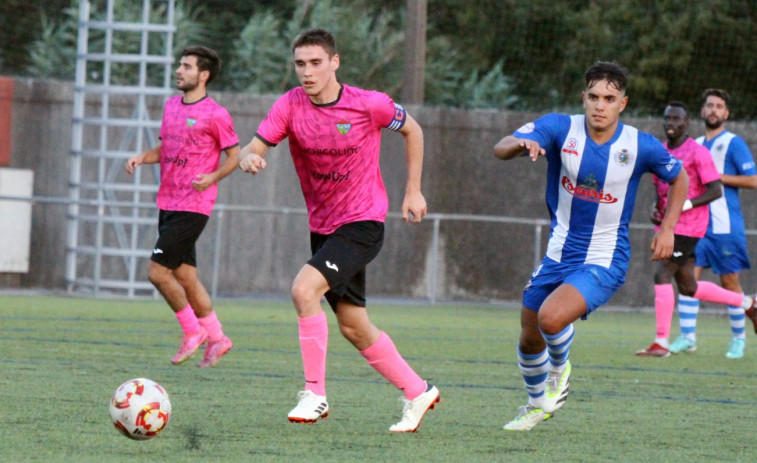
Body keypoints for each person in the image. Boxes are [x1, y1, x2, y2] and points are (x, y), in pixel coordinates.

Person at [237, 28, 439, 433]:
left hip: (363, 222)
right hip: (325, 227)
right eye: (300, 64)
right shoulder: (290, 106)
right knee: (352, 325)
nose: (307, 72)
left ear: (334, 62)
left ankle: (315, 394)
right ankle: (418, 391)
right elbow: (254, 146)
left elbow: (412, 129)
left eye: (315, 63)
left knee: (303, 289)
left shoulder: (369, 105)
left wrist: (413, 190)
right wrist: (249, 157)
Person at [493, 61, 689, 431]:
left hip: (605, 257)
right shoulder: (559, 127)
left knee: (550, 317)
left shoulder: (639, 145)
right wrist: (521, 142)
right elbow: (500, 147)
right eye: (594, 97)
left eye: (609, 98)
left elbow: (680, 178)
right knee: (529, 333)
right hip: (559, 252)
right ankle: (537, 405)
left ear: (622, 103)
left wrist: (668, 229)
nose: (600, 105)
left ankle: (561, 372)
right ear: (583, 98)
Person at [125, 45, 239, 368]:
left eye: (187, 66)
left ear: (203, 75)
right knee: (186, 277)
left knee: (157, 272)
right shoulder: (171, 106)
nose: (179, 70)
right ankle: (217, 338)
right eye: (180, 64)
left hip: (194, 204)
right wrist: (141, 158)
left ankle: (192, 332)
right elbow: (166, 148)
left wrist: (212, 177)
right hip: (169, 202)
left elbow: (236, 155)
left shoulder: (216, 114)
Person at [635, 102, 755, 359]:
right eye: (667, 119)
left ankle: (661, 343)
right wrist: (657, 209)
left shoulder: (698, 152)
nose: (671, 124)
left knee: (662, 274)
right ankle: (749, 303)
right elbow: (661, 190)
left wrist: (684, 205)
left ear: (686, 123)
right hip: (671, 225)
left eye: (676, 119)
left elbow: (715, 190)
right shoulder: (661, 152)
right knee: (689, 286)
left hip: (691, 226)